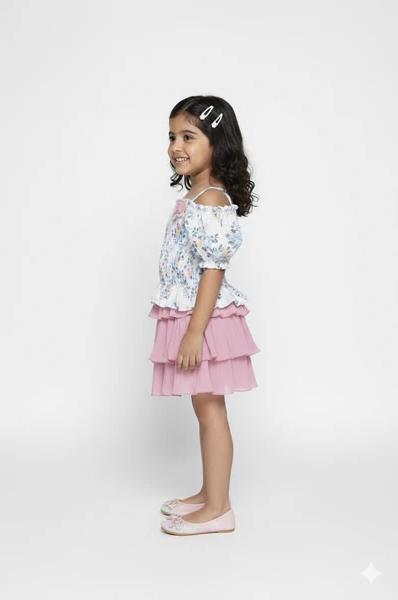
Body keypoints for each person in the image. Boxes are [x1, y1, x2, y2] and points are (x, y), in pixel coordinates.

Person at [147, 95, 261, 536]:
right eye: (172, 136)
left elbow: (213, 268)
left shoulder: (211, 198)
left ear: (217, 143)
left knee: (211, 411)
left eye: (189, 136)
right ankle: (209, 492)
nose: (176, 146)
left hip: (204, 319)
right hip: (191, 312)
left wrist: (195, 332)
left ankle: (218, 509)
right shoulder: (196, 194)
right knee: (204, 408)